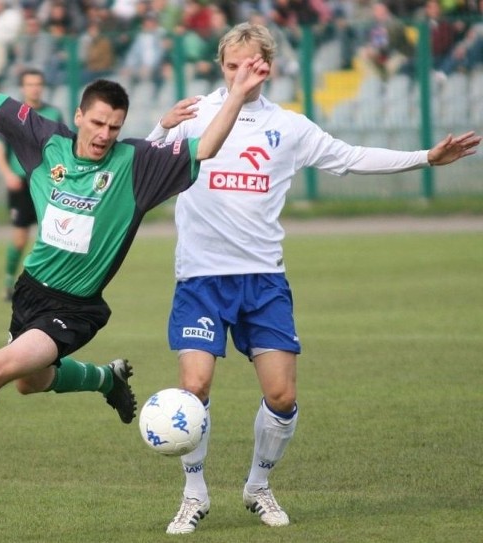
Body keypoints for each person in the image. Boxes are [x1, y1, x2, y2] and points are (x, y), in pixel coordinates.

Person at [0, 26, 271, 489]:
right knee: (29, 382)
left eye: (114, 127)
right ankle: (106, 379)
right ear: (79, 116)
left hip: (75, 309)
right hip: (30, 292)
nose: (104, 135)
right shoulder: (43, 140)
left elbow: (207, 147)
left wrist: (236, 95)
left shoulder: (136, 164)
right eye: (96, 124)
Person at [146, 22, 480, 535]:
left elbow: (351, 158)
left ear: (269, 67)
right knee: (193, 388)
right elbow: (142, 168)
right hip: (201, 279)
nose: (241, 74)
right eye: (231, 66)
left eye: (251, 65)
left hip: (263, 281)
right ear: (220, 66)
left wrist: (426, 158)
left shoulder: (290, 127)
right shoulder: (195, 117)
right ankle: (193, 494)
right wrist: (162, 129)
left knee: (281, 397)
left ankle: (258, 485)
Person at [0, 68, 62, 302]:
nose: (35, 88)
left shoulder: (53, 113)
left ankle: (46, 285)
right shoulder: (15, 115)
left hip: (48, 183)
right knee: (21, 238)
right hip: (21, 183)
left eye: (38, 83)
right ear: (23, 87)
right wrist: (7, 174)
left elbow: (62, 148)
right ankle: (8, 283)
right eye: (30, 84)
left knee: (53, 236)